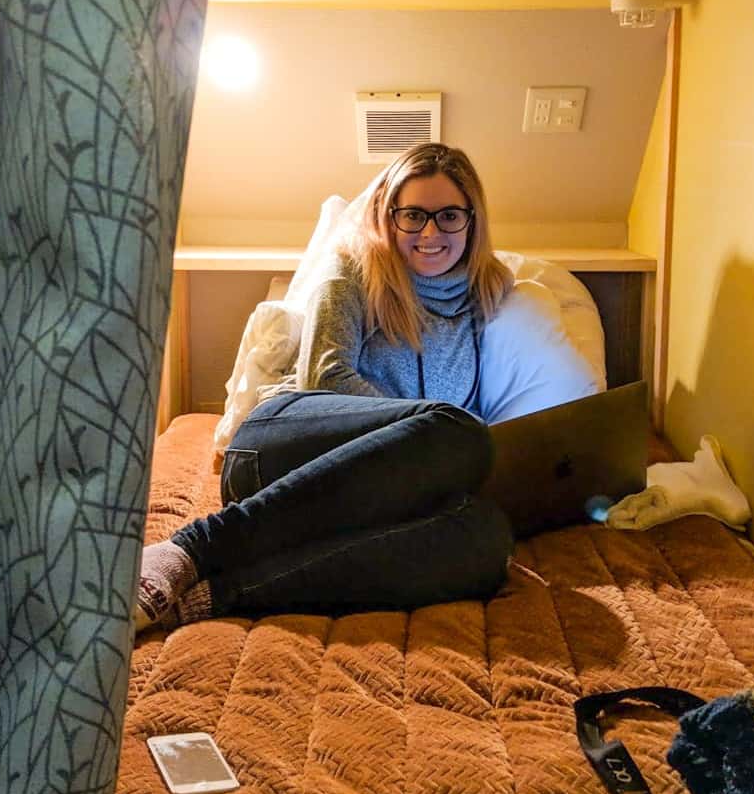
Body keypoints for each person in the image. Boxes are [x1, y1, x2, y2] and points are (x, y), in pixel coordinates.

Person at [134, 143, 517, 630]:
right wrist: (428, 443)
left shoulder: (488, 295)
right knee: (459, 432)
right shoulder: (354, 270)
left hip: (374, 496)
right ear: (388, 215)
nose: (430, 232)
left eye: (448, 216)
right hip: (280, 450)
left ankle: (222, 595)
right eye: (413, 216)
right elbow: (326, 381)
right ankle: (195, 547)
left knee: (487, 539)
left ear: (472, 220)